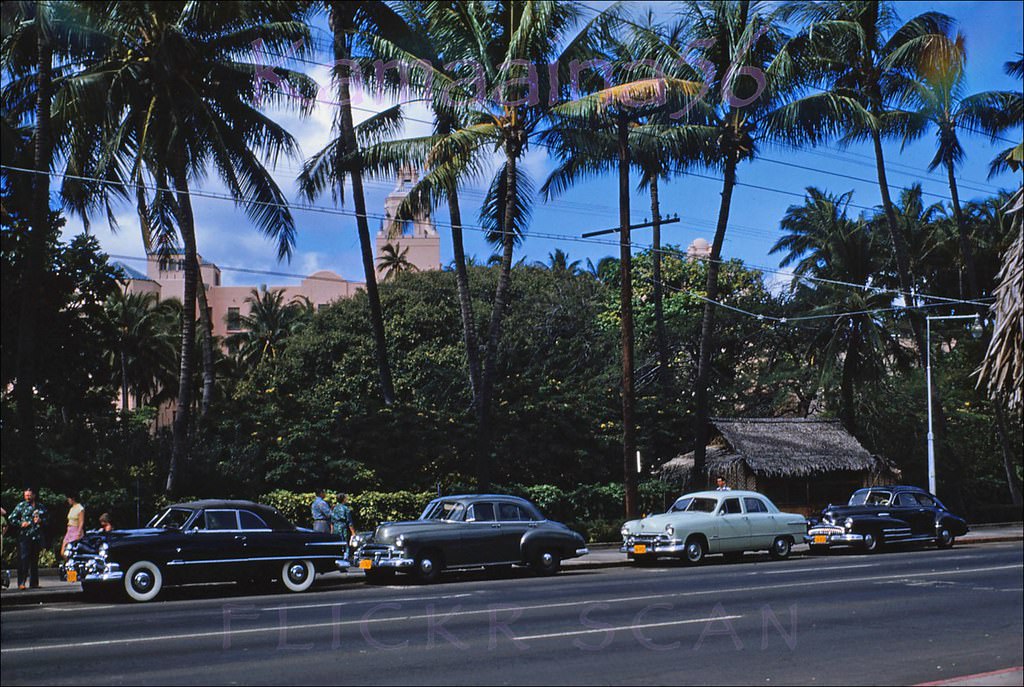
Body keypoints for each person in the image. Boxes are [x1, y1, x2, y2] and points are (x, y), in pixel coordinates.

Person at [9, 488, 48, 590]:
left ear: (34, 496)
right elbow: (11, 518)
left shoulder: (40, 507)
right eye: (26, 495)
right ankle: (21, 583)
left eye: (29, 495)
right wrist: (21, 523)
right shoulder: (21, 506)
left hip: (36, 536)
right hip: (25, 536)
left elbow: (47, 519)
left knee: (34, 560)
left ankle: (34, 583)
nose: (27, 497)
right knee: (24, 560)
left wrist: (41, 520)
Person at [331, 493, 356, 558]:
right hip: (343, 527)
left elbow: (332, 521)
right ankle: (345, 557)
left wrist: (331, 531)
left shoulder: (334, 508)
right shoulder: (346, 509)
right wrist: (353, 532)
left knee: (337, 543)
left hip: (336, 527)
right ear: (343, 499)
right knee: (345, 543)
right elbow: (349, 522)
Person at [62, 493, 85, 559]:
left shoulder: (80, 508)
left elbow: (81, 521)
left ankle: (72, 568)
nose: (68, 500)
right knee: (63, 552)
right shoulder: (72, 508)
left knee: (71, 552)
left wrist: (79, 533)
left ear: (73, 499)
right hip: (69, 530)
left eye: (69, 499)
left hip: (76, 530)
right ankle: (69, 567)